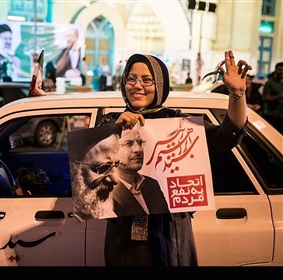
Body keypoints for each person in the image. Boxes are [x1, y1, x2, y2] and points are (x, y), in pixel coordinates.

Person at [99, 50, 251, 266]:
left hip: (170, 231)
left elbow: (228, 136)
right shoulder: (110, 124)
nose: (137, 85)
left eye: (147, 80)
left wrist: (237, 94)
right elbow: (90, 175)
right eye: (131, 79)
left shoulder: (178, 124)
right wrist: (114, 131)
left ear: (160, 85)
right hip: (124, 236)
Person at [68, 123, 123, 221]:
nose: (115, 180)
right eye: (102, 168)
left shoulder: (119, 214)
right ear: (74, 166)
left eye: (116, 165)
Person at [111, 129, 169, 217]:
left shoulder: (152, 185)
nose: (138, 149)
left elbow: (166, 222)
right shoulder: (104, 192)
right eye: (128, 144)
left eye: (140, 143)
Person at [261, 62, 283, 133]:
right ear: (276, 70)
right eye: (280, 69)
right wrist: (279, 96)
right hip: (271, 115)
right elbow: (265, 98)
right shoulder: (269, 83)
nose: (281, 71)